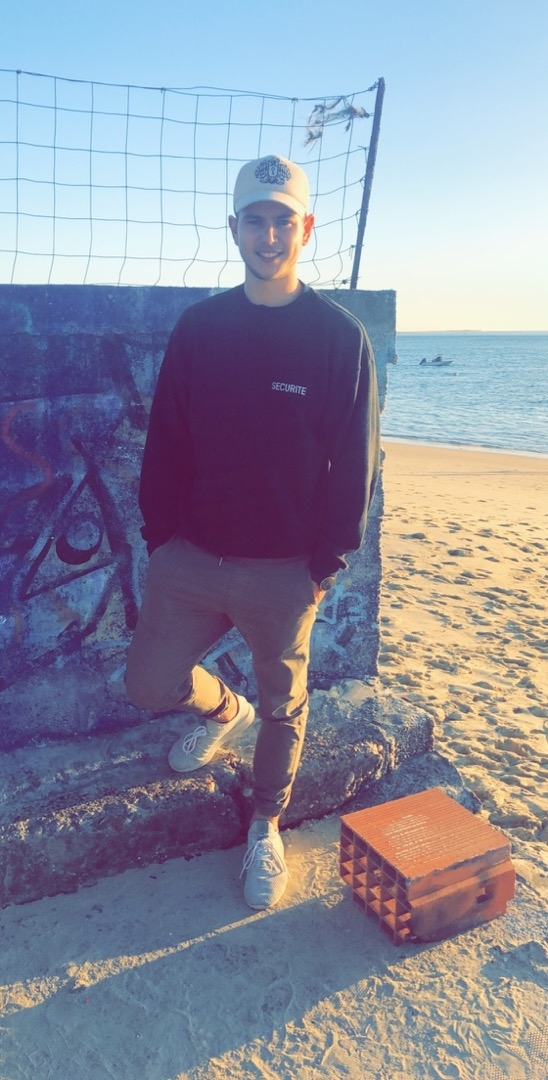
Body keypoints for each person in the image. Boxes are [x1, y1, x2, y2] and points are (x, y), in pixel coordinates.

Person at [125, 153, 380, 910]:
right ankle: (220, 711)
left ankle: (265, 826)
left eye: (283, 221)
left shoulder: (338, 338)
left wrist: (324, 562)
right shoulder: (200, 328)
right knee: (148, 684)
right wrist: (160, 537)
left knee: (283, 705)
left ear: (306, 228)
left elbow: (356, 461)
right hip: (191, 557)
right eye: (255, 221)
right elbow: (166, 438)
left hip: (284, 569)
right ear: (234, 227)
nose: (269, 236)